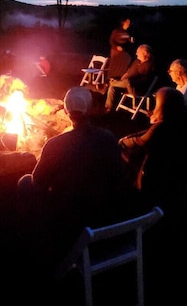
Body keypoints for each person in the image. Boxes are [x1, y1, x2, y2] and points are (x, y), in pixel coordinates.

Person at [17, 86, 132, 269]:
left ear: (66, 112)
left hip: (72, 218)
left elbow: (38, 182)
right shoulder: (109, 138)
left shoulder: (55, 144)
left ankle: (37, 238)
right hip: (107, 211)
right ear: (90, 109)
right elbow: (118, 175)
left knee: (25, 182)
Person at [118, 87, 187, 214]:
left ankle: (129, 184)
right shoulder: (186, 120)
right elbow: (148, 133)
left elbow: (141, 141)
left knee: (123, 151)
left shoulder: (161, 128)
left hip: (155, 175)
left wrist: (123, 141)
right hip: (178, 171)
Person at [104, 43, 156, 112]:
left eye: (138, 52)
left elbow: (144, 80)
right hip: (127, 85)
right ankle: (108, 108)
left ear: (145, 53)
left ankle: (109, 83)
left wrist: (129, 81)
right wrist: (123, 77)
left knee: (127, 82)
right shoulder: (137, 61)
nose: (136, 54)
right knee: (112, 87)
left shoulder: (150, 65)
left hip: (138, 89)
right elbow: (129, 72)